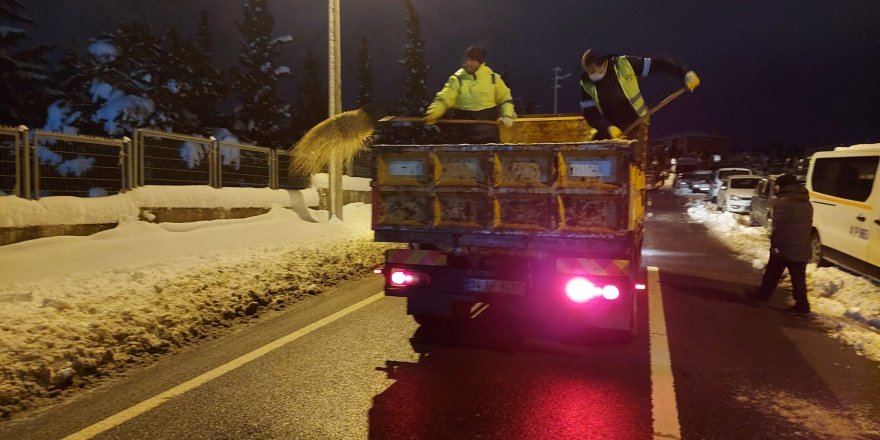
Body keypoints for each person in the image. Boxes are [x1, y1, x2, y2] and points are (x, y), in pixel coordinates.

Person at [579, 49, 701, 140]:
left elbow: (658, 64)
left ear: (604, 64)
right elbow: (590, 114)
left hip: (637, 123)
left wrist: (685, 73)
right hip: (612, 129)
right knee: (590, 153)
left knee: (626, 159)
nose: (592, 75)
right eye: (589, 72)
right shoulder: (586, 83)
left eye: (594, 71)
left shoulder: (624, 64)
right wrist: (608, 127)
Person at [748, 174, 814, 316]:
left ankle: (763, 295)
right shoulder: (806, 203)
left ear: (783, 186)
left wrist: (774, 246)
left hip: (785, 248)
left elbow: (780, 228)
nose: (776, 188)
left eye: (777, 185)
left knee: (772, 273)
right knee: (798, 279)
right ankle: (803, 307)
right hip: (802, 247)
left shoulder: (783, 203)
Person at [424, 46, 516, 143]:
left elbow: (505, 99)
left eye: (472, 61)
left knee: (491, 157)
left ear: (480, 62)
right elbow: (444, 99)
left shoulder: (493, 79)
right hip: (463, 133)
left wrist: (507, 115)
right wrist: (432, 114)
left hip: (489, 133)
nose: (467, 63)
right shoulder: (457, 79)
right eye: (466, 60)